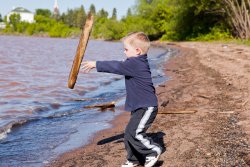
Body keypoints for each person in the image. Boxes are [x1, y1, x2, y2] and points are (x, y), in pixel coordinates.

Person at [81, 32, 162, 167]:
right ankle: (133, 159)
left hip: (146, 106)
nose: (124, 53)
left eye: (126, 50)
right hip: (139, 105)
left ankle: (152, 150)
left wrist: (96, 64)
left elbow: (116, 66)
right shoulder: (137, 62)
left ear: (137, 51)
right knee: (129, 134)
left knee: (135, 133)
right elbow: (122, 65)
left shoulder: (135, 64)